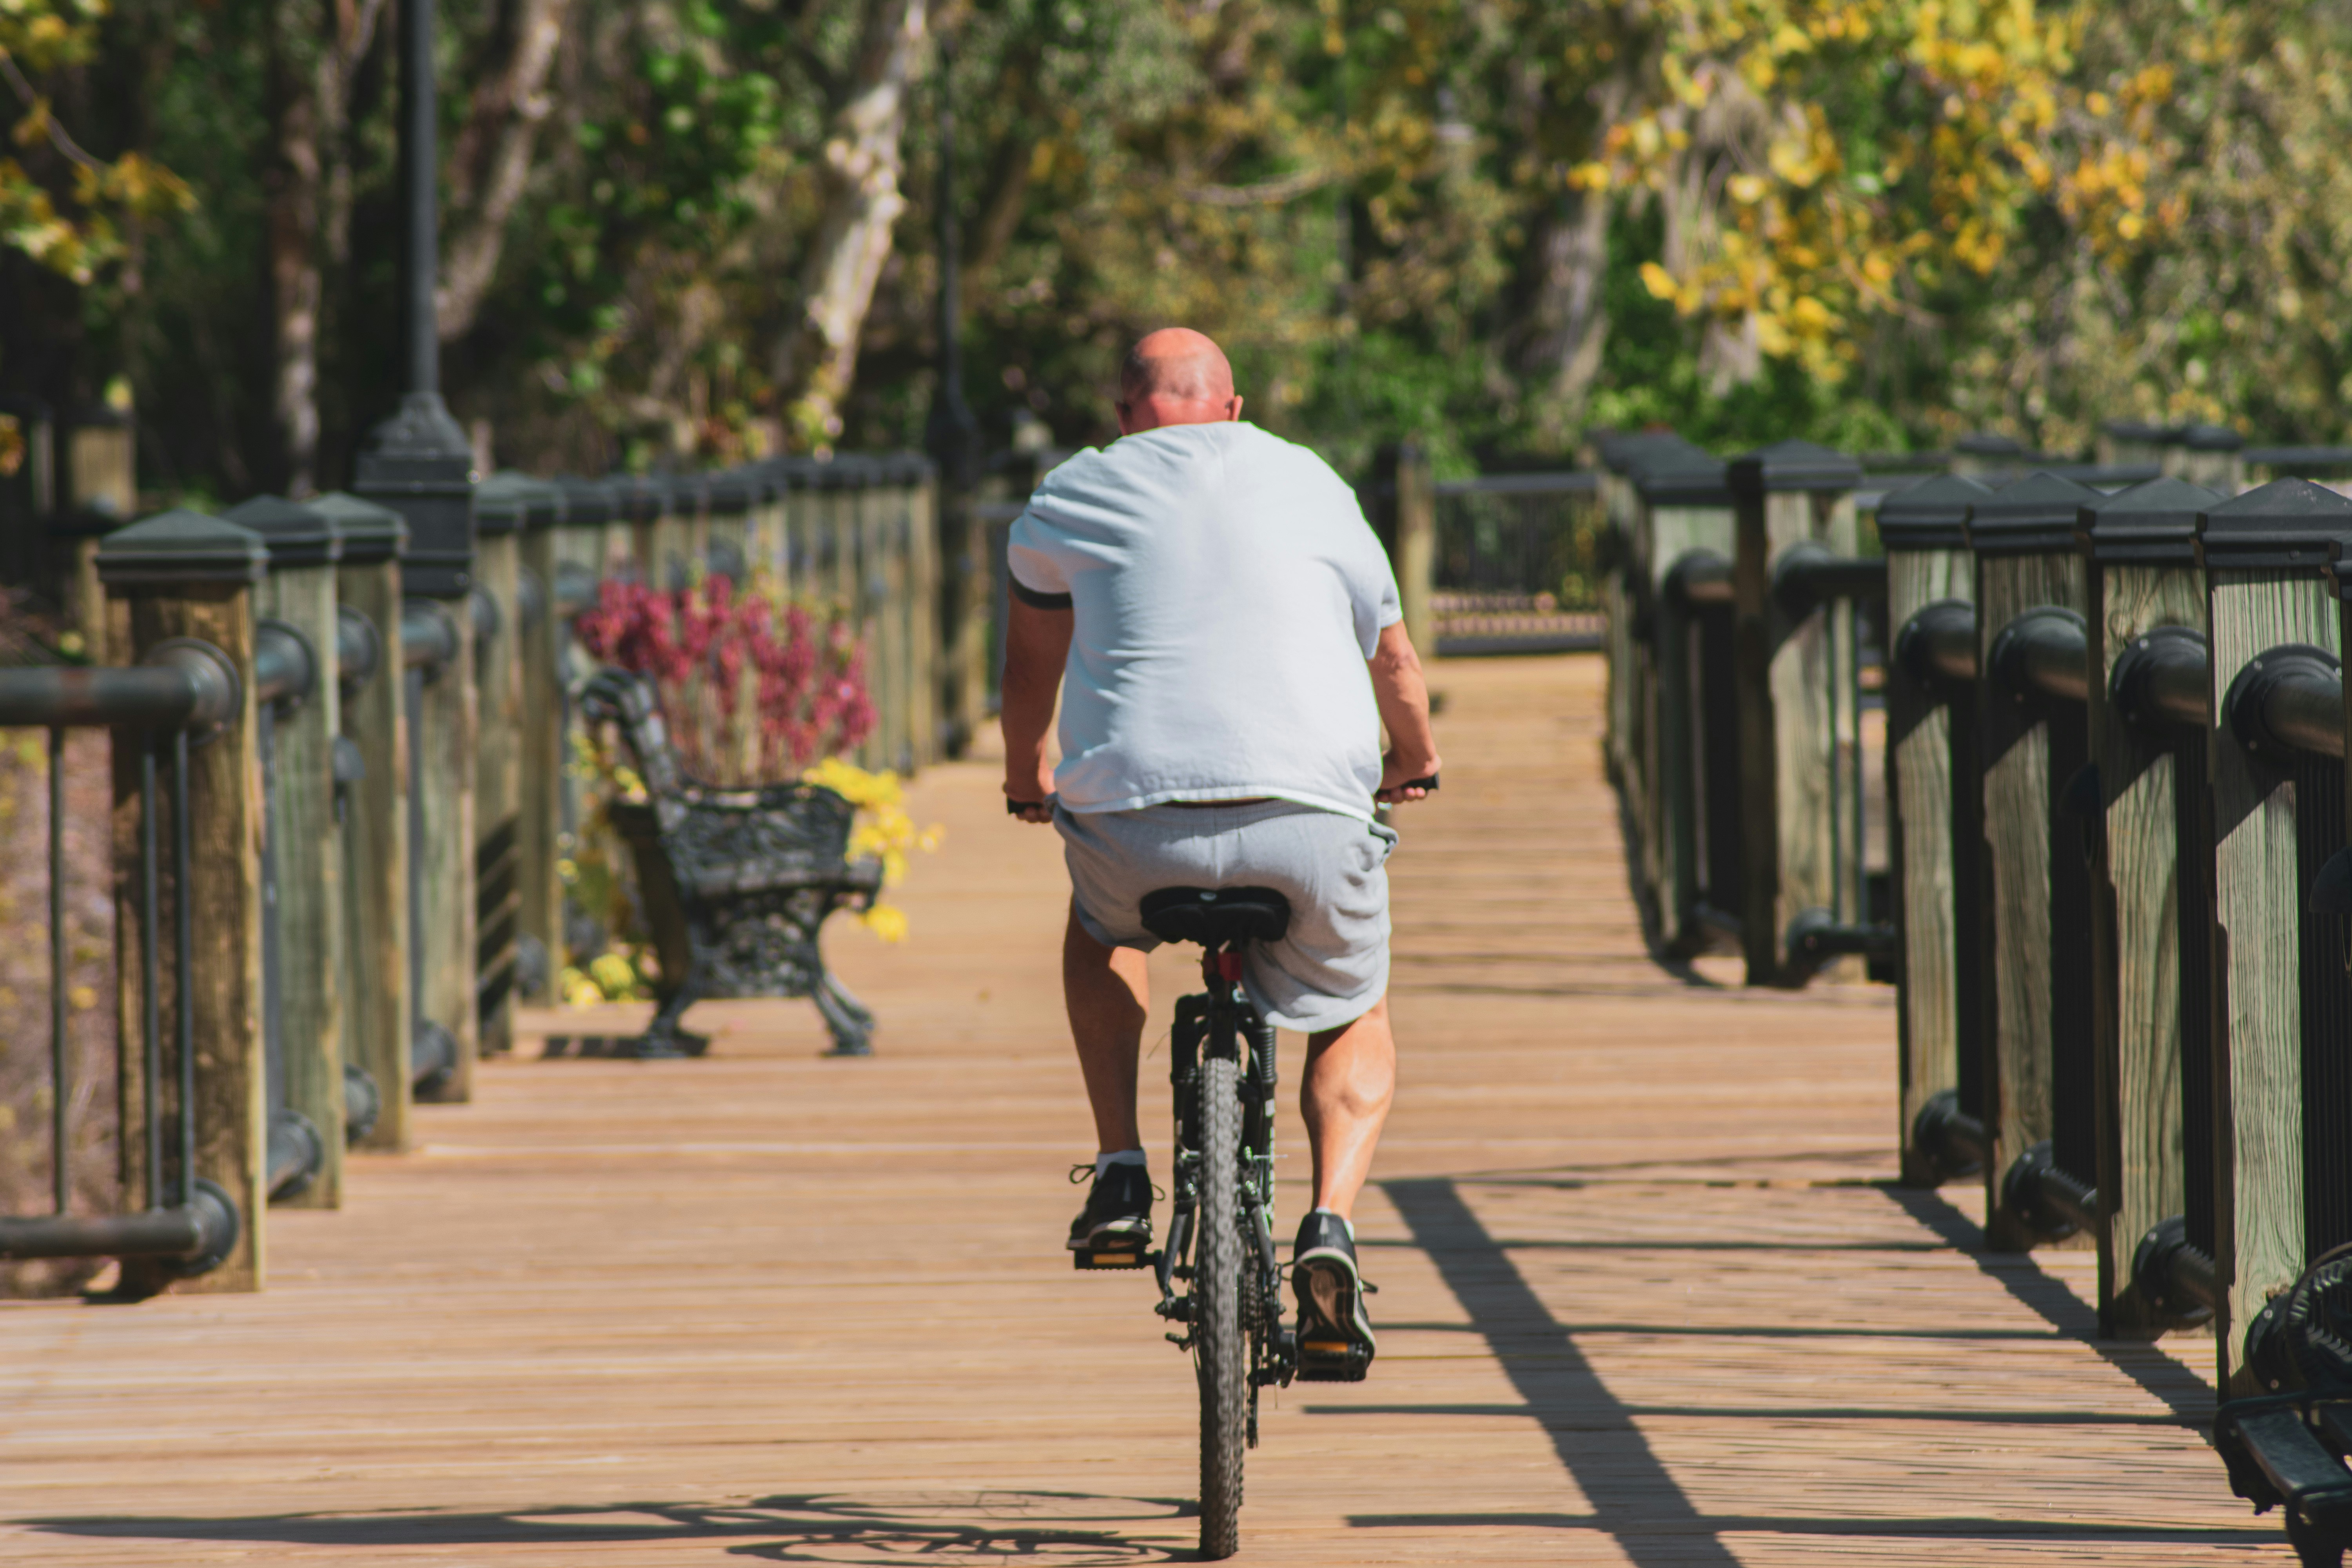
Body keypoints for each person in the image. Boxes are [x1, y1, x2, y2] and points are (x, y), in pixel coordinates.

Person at [1000, 327, 1439, 1381]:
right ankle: (1328, 1226)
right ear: (1234, 411)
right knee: (1354, 1007)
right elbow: (1395, 660)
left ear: (1124, 417)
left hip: (1135, 824)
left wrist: (1029, 778)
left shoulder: (1074, 490)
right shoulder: (1313, 482)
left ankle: (1117, 1169)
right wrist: (1413, 762)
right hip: (1310, 821)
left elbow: (1028, 671)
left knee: (1101, 927)